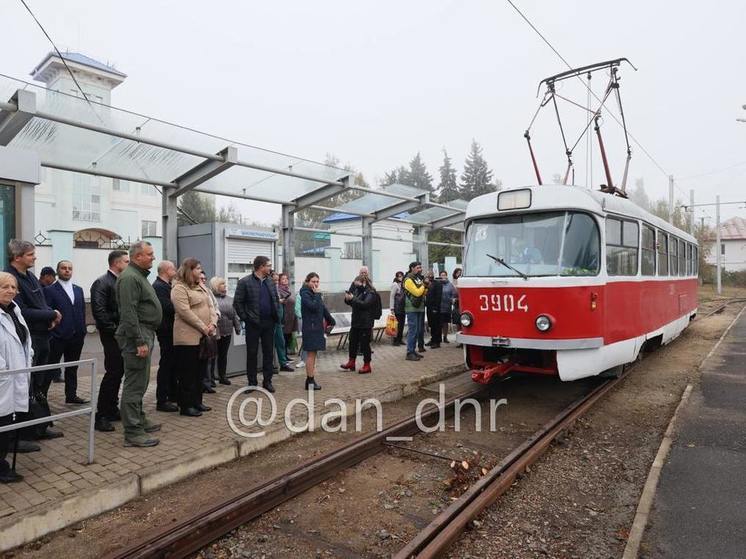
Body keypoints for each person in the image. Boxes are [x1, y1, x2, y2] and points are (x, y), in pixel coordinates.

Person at [5, 239, 62, 443]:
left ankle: (40, 425)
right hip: (27, 341)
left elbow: (41, 303)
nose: (34, 257)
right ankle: (23, 433)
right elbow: (23, 311)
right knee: (25, 386)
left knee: (40, 384)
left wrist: (50, 314)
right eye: (30, 254)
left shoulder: (30, 276)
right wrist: (51, 314)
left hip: (42, 337)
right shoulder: (10, 279)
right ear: (17, 257)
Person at [115, 241, 162, 447]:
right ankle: (133, 432)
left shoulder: (137, 276)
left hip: (144, 331)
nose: (153, 257)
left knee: (141, 381)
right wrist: (139, 341)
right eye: (149, 254)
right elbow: (128, 312)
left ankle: (139, 419)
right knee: (134, 383)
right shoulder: (129, 278)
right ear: (137, 257)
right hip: (138, 335)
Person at [172, 259, 217, 417]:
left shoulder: (201, 286)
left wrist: (213, 324)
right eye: (197, 268)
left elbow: (211, 306)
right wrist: (203, 327)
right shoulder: (179, 288)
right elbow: (185, 312)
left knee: (200, 372)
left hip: (204, 337)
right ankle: (186, 405)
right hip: (187, 338)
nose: (200, 271)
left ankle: (197, 401)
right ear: (189, 270)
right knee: (188, 373)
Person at [91, 250, 129, 432]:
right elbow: (99, 311)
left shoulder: (120, 282)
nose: (129, 265)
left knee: (119, 371)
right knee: (113, 372)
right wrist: (115, 331)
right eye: (126, 261)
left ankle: (112, 409)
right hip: (112, 335)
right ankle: (102, 415)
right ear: (116, 263)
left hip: (121, 334)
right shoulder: (102, 282)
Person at [0, 272, 33, 483]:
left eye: (13, 287)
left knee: (8, 423)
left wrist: (29, 356)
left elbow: (24, 340)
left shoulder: (14, 310)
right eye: (5, 286)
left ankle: (1, 462)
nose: (11, 290)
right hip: (4, 377)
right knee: (1, 423)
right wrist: (4, 370)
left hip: (17, 374)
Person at [44, 260, 89, 404]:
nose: (67, 271)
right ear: (58, 271)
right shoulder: (50, 290)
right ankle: (42, 396)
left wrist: (83, 329)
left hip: (77, 335)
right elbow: (48, 311)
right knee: (51, 367)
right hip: (58, 336)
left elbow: (81, 311)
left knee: (72, 366)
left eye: (70, 268)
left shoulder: (78, 289)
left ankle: (71, 395)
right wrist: (54, 332)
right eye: (63, 268)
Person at [233, 256, 280, 393]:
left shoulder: (270, 282)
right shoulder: (245, 282)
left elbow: (275, 299)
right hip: (253, 323)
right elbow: (238, 302)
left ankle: (267, 381)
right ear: (261, 267)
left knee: (268, 353)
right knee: (252, 353)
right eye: (268, 265)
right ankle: (252, 383)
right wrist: (245, 317)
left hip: (269, 323)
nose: (270, 268)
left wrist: (276, 315)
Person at [300, 272, 335, 390]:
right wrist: (317, 295)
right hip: (310, 328)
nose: (315, 284)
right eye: (313, 281)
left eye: (317, 282)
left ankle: (310, 380)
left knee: (313, 355)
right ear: (307, 282)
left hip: (317, 327)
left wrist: (331, 320)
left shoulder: (314, 293)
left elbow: (322, 308)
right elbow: (313, 306)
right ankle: (310, 381)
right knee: (310, 355)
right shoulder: (305, 293)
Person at [152, 260, 179, 413]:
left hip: (172, 330)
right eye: (173, 268)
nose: (175, 270)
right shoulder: (159, 287)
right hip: (166, 330)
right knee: (166, 364)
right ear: (167, 270)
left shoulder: (167, 286)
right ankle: (162, 399)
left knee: (173, 364)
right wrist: (181, 304)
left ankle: (172, 394)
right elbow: (167, 307)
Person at [341, 274, 376, 374]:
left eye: (358, 284)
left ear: (363, 283)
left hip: (365, 323)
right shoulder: (357, 290)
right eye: (355, 285)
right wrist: (347, 299)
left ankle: (367, 365)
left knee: (365, 344)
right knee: (352, 342)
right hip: (356, 322)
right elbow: (354, 303)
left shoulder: (371, 292)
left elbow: (365, 305)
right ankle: (351, 362)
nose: (356, 286)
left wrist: (353, 299)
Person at [209, 276, 240, 385]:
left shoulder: (230, 299)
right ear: (216, 286)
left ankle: (223, 376)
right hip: (215, 332)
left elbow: (234, 315)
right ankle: (211, 378)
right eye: (222, 284)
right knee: (213, 355)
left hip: (227, 331)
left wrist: (237, 327)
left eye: (225, 284)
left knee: (223, 355)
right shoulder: (211, 299)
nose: (225, 286)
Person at [199, 271, 220, 393]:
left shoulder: (208, 291)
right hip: (200, 329)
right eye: (201, 278)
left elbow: (215, 307)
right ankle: (203, 384)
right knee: (202, 359)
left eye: (204, 278)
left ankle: (209, 381)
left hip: (211, 328)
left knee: (211, 357)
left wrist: (214, 321)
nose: (203, 280)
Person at [270, 271, 294, 373]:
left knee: (281, 342)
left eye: (276, 280)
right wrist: (277, 301)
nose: (276, 282)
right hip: (270, 320)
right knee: (270, 344)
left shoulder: (277, 290)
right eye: (274, 280)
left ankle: (283, 363)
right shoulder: (268, 289)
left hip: (279, 320)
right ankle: (270, 365)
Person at [403, 261, 427, 361]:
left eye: (420, 267)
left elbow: (423, 292)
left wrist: (425, 286)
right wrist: (424, 285)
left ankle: (413, 350)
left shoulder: (418, 279)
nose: (420, 269)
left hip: (419, 307)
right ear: (412, 268)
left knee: (417, 331)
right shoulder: (408, 279)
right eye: (418, 267)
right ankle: (409, 352)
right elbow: (417, 293)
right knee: (413, 330)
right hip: (412, 308)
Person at [277, 273, 297, 354]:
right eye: (283, 279)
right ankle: (283, 356)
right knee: (284, 338)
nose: (285, 280)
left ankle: (286, 356)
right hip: (284, 318)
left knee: (288, 337)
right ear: (279, 281)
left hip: (291, 318)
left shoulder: (288, 290)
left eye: (286, 279)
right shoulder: (278, 290)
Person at [424, 270, 443, 349]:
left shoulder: (437, 283)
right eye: (428, 274)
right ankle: (433, 339)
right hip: (429, 307)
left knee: (436, 325)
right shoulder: (427, 284)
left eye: (430, 274)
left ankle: (437, 341)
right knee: (431, 324)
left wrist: (435, 308)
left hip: (435, 307)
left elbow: (438, 296)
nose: (429, 276)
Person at [440, 270, 457, 343]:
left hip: (447, 307)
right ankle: (438, 337)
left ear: (446, 276)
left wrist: (452, 300)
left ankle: (445, 337)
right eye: (442, 275)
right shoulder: (437, 284)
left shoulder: (450, 285)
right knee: (439, 323)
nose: (443, 276)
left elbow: (453, 294)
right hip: (439, 307)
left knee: (445, 323)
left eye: (444, 275)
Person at [389, 271, 405, 346]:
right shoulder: (395, 284)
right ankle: (395, 341)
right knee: (396, 325)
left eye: (401, 276)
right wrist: (392, 308)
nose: (400, 277)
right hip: (397, 307)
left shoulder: (403, 284)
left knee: (402, 324)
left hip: (403, 307)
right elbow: (392, 296)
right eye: (399, 276)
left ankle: (400, 339)